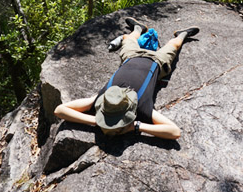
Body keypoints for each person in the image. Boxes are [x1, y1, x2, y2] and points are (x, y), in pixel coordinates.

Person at [53, 17, 199, 140]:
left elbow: (175, 132)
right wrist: (99, 121)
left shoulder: (137, 106)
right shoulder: (109, 102)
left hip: (146, 60)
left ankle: (181, 35)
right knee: (145, 42)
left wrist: (132, 126)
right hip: (148, 61)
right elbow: (59, 110)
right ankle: (139, 28)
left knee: (171, 44)